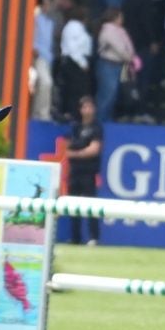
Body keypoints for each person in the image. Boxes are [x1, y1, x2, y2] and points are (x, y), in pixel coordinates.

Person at [65, 95, 102, 246]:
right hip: (74, 171)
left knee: (90, 205)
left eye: (90, 106)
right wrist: (77, 152)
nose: (87, 110)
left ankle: (93, 237)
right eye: (84, 107)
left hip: (89, 171)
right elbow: (67, 147)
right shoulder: (76, 127)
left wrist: (76, 153)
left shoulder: (96, 128)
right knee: (73, 206)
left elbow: (94, 149)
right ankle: (75, 238)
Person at [94, 8, 135, 121]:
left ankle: (108, 119)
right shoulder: (108, 31)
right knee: (107, 94)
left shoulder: (120, 31)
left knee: (114, 94)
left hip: (119, 65)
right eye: (120, 17)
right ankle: (100, 120)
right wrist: (131, 59)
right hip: (108, 65)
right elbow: (120, 49)